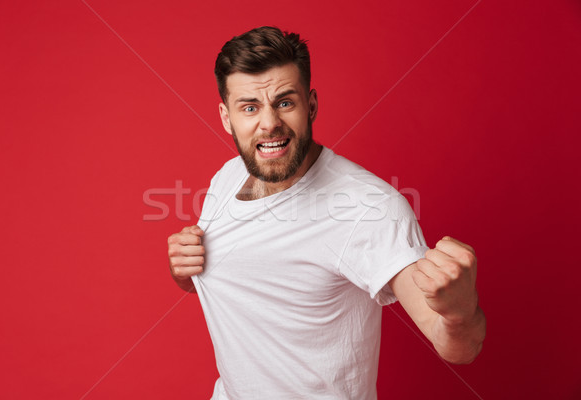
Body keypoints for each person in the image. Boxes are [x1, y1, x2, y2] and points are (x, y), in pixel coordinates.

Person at [167, 26, 486, 399]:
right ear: (226, 117)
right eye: (249, 107)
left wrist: (461, 313)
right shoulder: (227, 177)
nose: (269, 122)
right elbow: (237, 280)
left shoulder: (369, 207)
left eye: (285, 102)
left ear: (311, 104)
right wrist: (184, 271)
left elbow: (458, 346)